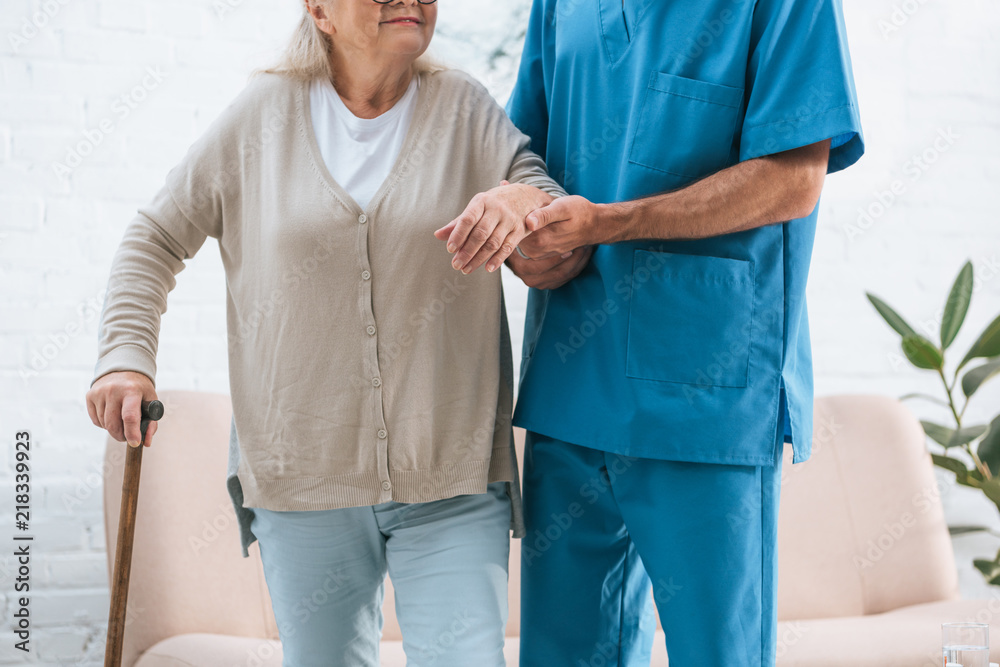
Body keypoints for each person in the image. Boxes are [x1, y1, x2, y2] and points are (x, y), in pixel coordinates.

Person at [85, 1, 567, 664]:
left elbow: (548, 205)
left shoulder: (463, 109)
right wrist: (125, 358)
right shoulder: (262, 115)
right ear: (320, 10)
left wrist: (527, 199)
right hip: (302, 480)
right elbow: (155, 236)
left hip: (451, 477)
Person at [440, 0, 865, 664]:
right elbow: (531, 168)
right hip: (572, 387)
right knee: (564, 654)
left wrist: (607, 222)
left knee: (715, 652)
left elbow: (793, 178)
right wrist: (525, 242)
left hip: (706, 389)